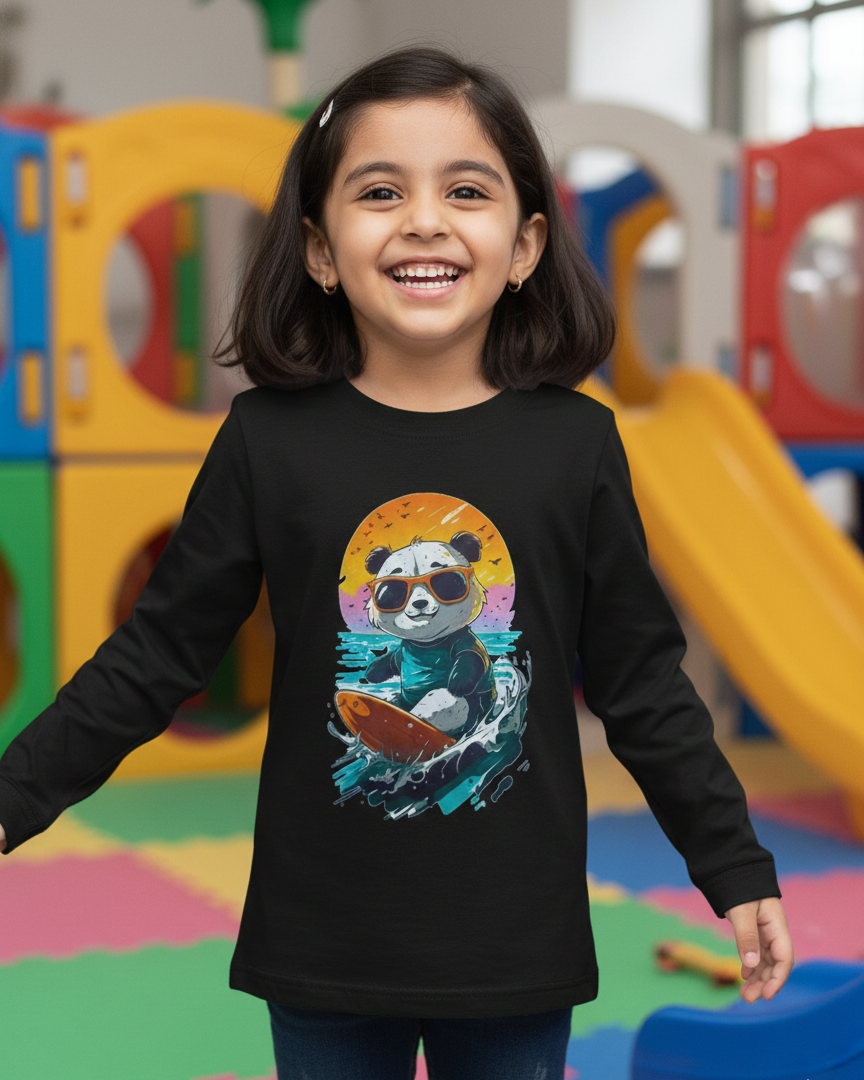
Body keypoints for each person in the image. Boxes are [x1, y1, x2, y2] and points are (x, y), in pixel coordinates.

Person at [0, 44, 792, 1080]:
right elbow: (158, 654)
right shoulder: (267, 442)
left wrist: (732, 864)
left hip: (514, 940)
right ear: (323, 250)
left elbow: (641, 679)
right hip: (323, 935)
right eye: (381, 191)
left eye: (466, 189)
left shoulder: (576, 444)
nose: (424, 218)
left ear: (524, 245)